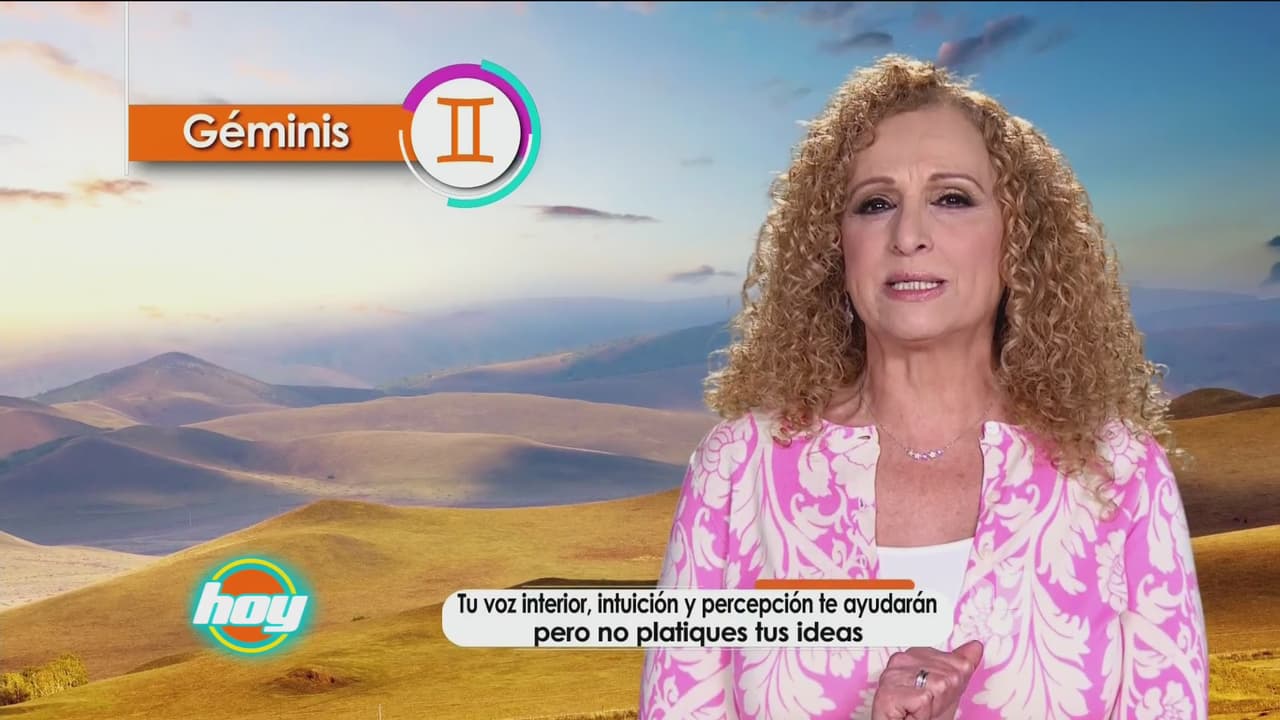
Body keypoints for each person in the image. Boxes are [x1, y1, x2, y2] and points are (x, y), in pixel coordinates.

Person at [638, 55, 1207, 719]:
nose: (908, 235)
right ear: (833, 247)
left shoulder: (1118, 472)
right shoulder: (737, 471)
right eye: (875, 204)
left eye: (952, 199)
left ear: (1018, 240)